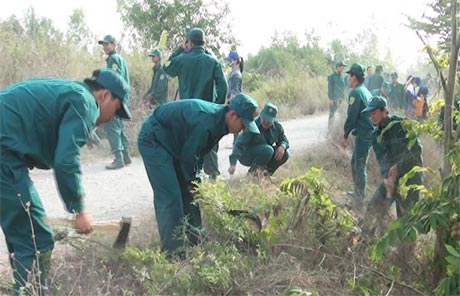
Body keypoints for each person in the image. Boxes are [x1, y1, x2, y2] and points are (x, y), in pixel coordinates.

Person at [0, 69, 131, 294]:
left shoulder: (72, 93)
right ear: (105, 96)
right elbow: (66, 161)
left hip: (7, 155)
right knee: (36, 240)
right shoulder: (85, 102)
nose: (112, 118)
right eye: (116, 110)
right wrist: (78, 210)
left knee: (25, 231)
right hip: (4, 157)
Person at [137, 93, 259, 258]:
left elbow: (197, 155)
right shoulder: (206, 121)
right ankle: (174, 254)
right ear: (232, 115)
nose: (243, 129)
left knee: (190, 191)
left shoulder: (221, 123)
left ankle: (195, 236)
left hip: (175, 144)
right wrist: (194, 183)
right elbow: (189, 159)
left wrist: (195, 184)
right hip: (155, 140)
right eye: (243, 124)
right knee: (171, 196)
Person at [163, 27, 228, 180]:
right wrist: (217, 107)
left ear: (189, 43)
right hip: (207, 110)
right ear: (204, 43)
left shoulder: (181, 60)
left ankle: (192, 181)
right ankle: (213, 179)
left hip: (187, 112)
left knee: (189, 145)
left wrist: (179, 48)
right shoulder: (212, 61)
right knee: (208, 142)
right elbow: (223, 86)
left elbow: (166, 68)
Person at [363, 96, 423, 230]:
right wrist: (387, 178)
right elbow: (383, 160)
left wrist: (398, 167)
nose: (371, 116)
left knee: (405, 220)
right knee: (372, 209)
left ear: (385, 111)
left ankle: (405, 249)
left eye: (374, 113)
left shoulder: (402, 125)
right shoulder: (375, 136)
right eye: (370, 113)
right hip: (391, 179)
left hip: (410, 179)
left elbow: (416, 152)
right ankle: (365, 242)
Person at [340, 63, 374, 209]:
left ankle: (359, 201)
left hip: (365, 134)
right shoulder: (365, 91)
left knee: (359, 165)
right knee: (355, 163)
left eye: (350, 76)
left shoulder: (355, 93)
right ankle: (357, 193)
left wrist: (345, 134)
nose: (348, 79)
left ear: (355, 77)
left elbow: (352, 116)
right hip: (366, 133)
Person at [98, 34, 132, 170]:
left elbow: (113, 79)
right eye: (103, 45)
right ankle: (126, 156)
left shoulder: (113, 59)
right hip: (122, 99)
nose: (105, 47)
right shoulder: (121, 59)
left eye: (107, 44)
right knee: (119, 127)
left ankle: (118, 159)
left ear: (114, 44)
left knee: (111, 127)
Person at [228, 102, 289, 177]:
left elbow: (284, 139)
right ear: (261, 115)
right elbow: (239, 144)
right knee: (268, 150)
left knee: (285, 154)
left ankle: (265, 175)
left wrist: (282, 146)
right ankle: (251, 176)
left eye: (269, 121)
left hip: (265, 153)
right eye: (264, 119)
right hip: (246, 154)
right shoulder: (252, 125)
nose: (266, 123)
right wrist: (233, 163)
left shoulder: (277, 127)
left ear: (273, 120)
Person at [226, 50, 244, 143]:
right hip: (236, 103)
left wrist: (228, 102)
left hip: (235, 104)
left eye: (230, 60)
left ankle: (237, 148)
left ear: (236, 61)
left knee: (235, 128)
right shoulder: (235, 73)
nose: (229, 62)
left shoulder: (236, 75)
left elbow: (234, 92)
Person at [327, 61, 348, 127]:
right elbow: (330, 88)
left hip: (342, 100)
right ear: (338, 67)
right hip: (334, 99)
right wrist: (330, 99)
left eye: (344, 67)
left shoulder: (343, 77)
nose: (343, 69)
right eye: (342, 67)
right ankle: (330, 128)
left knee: (343, 115)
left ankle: (341, 128)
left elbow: (345, 88)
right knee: (332, 114)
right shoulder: (331, 77)